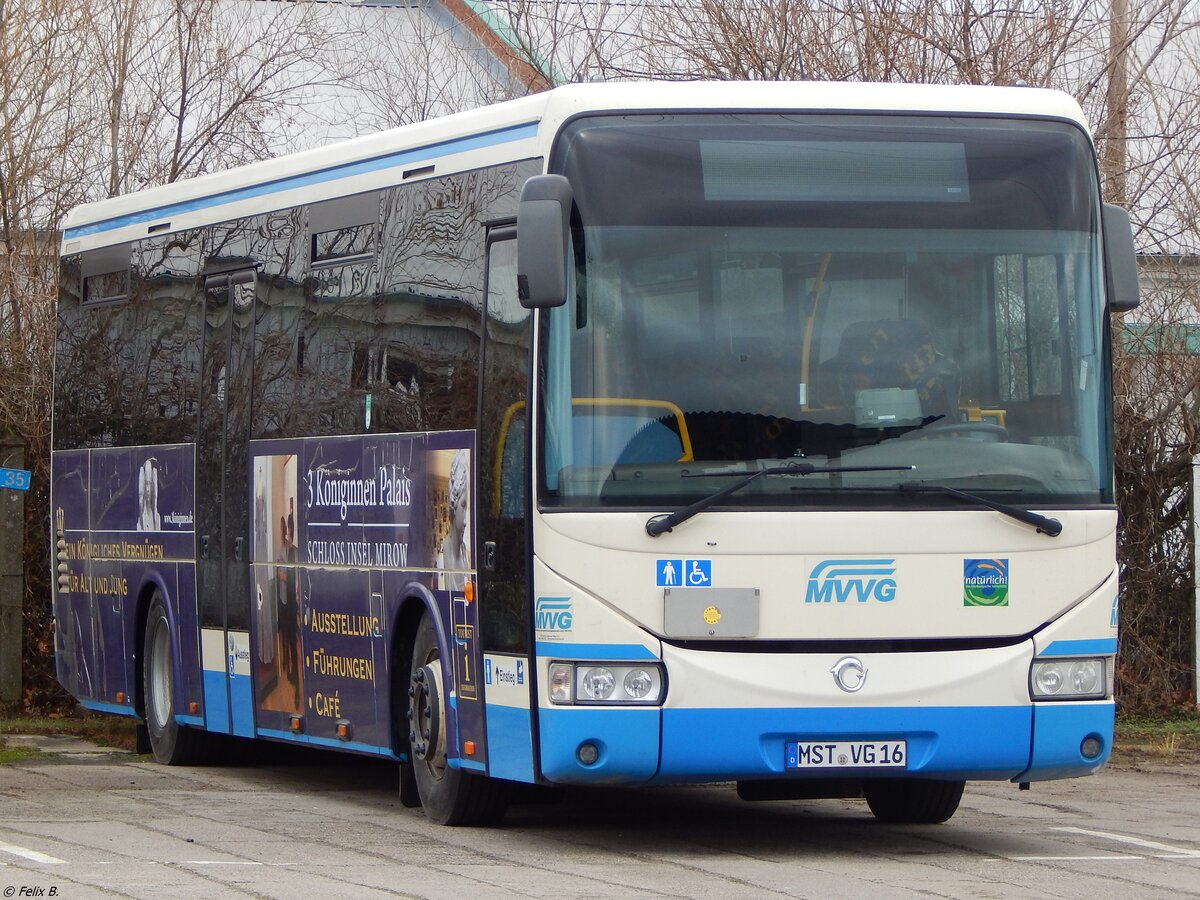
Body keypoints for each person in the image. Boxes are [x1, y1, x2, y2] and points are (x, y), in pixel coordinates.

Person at [437, 449, 471, 591]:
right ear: (453, 503)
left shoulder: (466, 556)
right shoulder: (442, 558)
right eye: (463, 506)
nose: (465, 521)